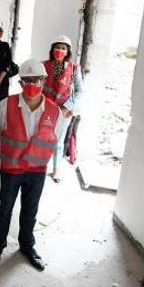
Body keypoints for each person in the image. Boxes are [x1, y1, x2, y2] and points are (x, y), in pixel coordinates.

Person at [0, 58, 70, 271]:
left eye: (37, 80)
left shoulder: (54, 111)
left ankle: (26, 246)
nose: (32, 84)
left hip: (37, 171)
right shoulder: (5, 105)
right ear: (20, 83)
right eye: (27, 80)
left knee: (30, 210)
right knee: (5, 209)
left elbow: (55, 137)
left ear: (44, 81)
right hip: (11, 169)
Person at [42, 35, 84, 181]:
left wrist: (67, 107)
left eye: (63, 48)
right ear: (52, 49)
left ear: (67, 52)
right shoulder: (44, 65)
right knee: (40, 138)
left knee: (58, 142)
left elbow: (80, 91)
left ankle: (56, 170)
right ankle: (38, 166)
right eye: (57, 47)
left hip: (63, 111)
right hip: (44, 109)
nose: (59, 50)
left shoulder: (74, 69)